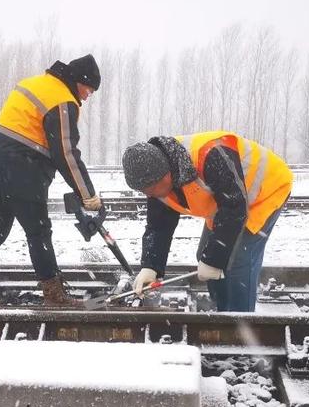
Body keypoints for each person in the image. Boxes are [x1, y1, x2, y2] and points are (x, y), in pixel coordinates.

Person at [0, 54, 102, 306]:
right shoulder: (63, 100)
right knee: (39, 233)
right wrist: (87, 195)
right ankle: (54, 296)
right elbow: (66, 153)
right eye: (89, 89)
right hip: (22, 170)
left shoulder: (36, 83)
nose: (88, 95)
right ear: (80, 80)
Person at [121, 131, 292, 312]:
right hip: (228, 204)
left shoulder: (210, 155)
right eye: (144, 191)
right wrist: (150, 267)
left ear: (167, 171)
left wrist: (215, 261)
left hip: (264, 192)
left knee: (237, 261)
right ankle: (221, 309)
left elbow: (234, 209)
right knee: (206, 255)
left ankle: (239, 323)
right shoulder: (155, 181)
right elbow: (158, 226)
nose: (149, 194)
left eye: (152, 188)